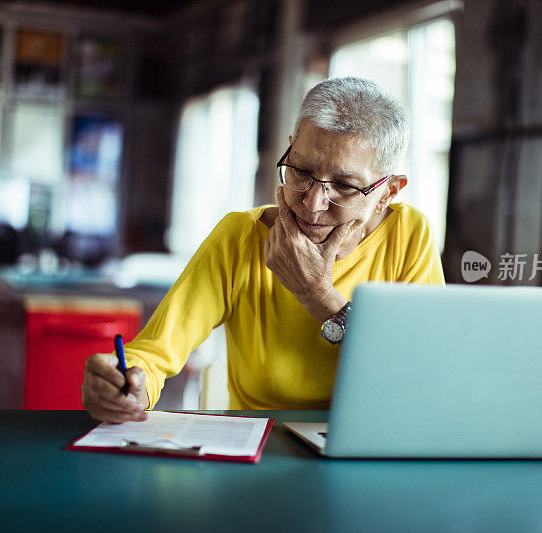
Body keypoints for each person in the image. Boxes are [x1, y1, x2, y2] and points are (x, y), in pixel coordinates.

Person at [82, 77, 445, 422]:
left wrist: (317, 295)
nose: (314, 203)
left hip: (371, 441)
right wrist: (126, 385)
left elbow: (424, 375)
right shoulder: (240, 237)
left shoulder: (408, 235)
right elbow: (154, 354)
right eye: (301, 171)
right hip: (261, 442)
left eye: (346, 186)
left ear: (388, 192)